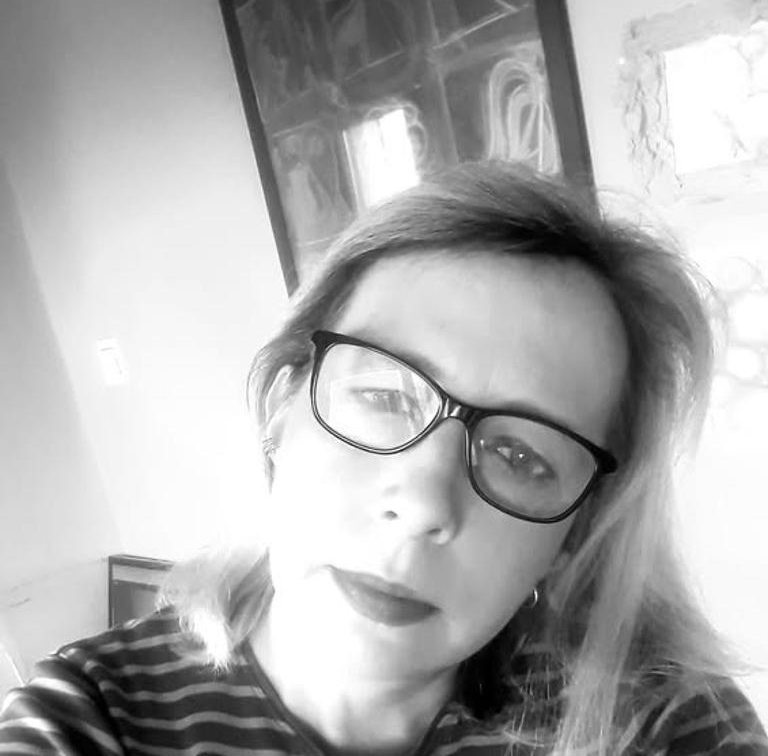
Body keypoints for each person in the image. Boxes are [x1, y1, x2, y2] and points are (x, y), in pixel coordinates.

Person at [1, 162, 766, 756]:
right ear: (282, 410)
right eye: (384, 396)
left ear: (573, 529)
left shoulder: (659, 722)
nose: (425, 502)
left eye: (520, 454)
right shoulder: (87, 718)